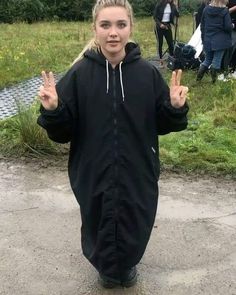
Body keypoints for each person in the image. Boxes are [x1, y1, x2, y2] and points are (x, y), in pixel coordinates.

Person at [37, 0, 189, 289]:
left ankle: (128, 262)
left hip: (138, 167)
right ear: (95, 28)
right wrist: (54, 110)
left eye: (120, 24)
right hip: (92, 167)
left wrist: (174, 107)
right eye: (105, 25)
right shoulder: (79, 74)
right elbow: (61, 133)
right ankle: (106, 268)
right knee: (97, 216)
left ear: (130, 27)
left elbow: (165, 124)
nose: (113, 33)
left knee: (136, 216)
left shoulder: (147, 74)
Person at [196, 0, 233, 83]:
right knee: (216, 61)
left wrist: (203, 39)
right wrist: (232, 25)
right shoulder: (224, 11)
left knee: (207, 60)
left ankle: (198, 80)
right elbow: (228, 27)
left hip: (208, 39)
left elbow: (202, 26)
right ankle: (214, 82)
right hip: (220, 41)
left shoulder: (206, 9)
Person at [153, 0, 179, 66]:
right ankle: (160, 60)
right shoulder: (159, 4)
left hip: (167, 26)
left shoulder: (172, 6)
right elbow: (155, 17)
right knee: (160, 43)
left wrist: (176, 6)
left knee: (170, 43)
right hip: (159, 27)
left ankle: (171, 58)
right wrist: (160, 24)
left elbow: (177, 15)